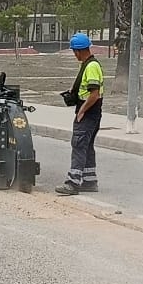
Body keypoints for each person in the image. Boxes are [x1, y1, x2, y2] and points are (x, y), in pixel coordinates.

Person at [56, 32, 104, 195]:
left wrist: (82, 111)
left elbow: (94, 94)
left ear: (78, 50)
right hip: (93, 112)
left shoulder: (91, 66)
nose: (74, 54)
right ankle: (90, 181)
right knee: (87, 146)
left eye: (74, 51)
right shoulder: (88, 64)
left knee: (78, 145)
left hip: (88, 112)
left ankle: (73, 183)